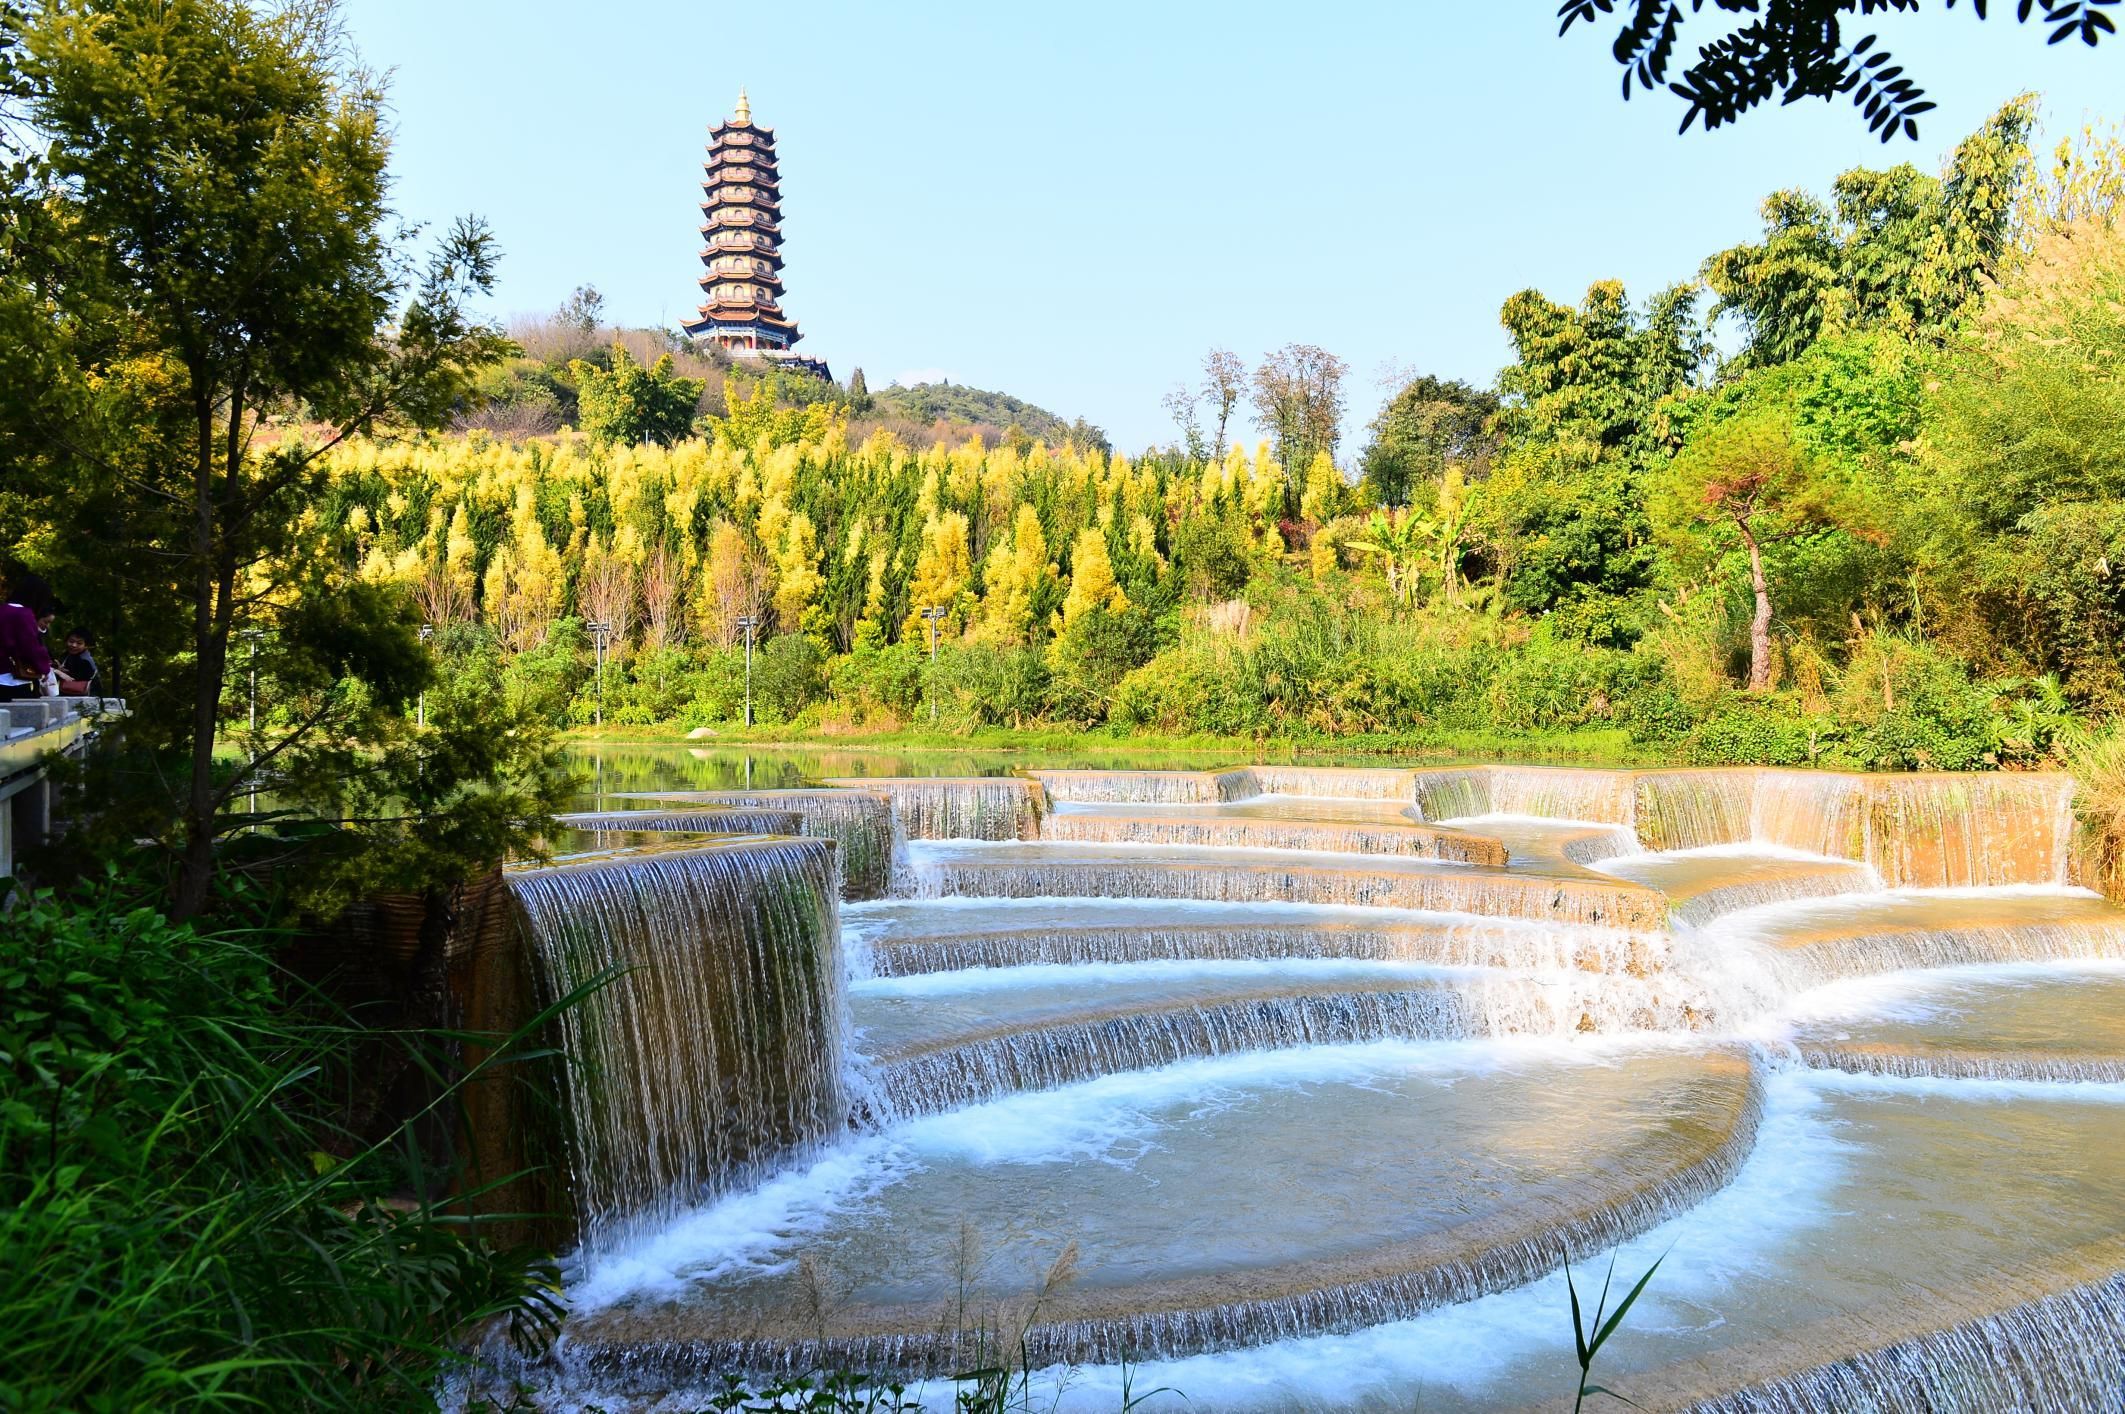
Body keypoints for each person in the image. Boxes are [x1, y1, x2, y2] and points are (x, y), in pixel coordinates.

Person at [0, 568, 53, 701]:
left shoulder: (3, 609)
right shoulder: (24, 614)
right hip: (12, 678)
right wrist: (44, 668)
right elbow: (29, 646)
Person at [57, 627, 99, 697]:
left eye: (79, 643)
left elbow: (80, 678)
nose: (74, 645)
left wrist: (61, 673)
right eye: (71, 641)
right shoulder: (65, 656)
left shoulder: (86, 660)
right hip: (66, 694)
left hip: (85, 697)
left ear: (86, 645)